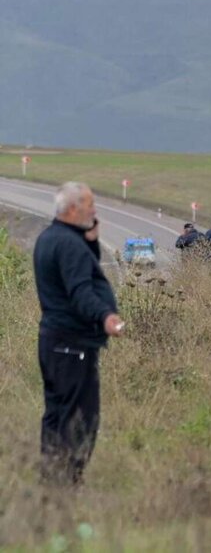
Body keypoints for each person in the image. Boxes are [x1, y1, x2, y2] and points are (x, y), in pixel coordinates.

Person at [33, 182, 124, 485]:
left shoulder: (52, 237)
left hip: (53, 341)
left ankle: (51, 480)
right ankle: (68, 483)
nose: (95, 210)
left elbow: (80, 271)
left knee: (57, 413)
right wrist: (106, 317)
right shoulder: (69, 244)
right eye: (89, 205)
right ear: (73, 209)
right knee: (81, 418)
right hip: (72, 344)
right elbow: (80, 290)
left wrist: (92, 241)